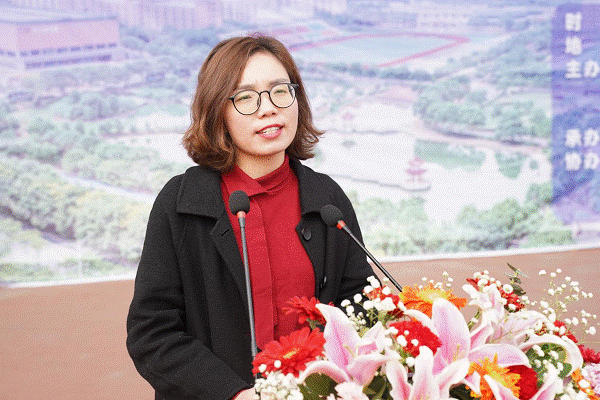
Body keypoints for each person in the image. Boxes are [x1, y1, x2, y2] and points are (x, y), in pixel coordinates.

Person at [126, 35, 375, 400]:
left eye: (280, 91)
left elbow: (361, 305)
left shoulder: (327, 200)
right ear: (218, 111)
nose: (268, 109)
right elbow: (152, 334)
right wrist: (233, 394)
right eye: (245, 97)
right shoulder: (180, 204)